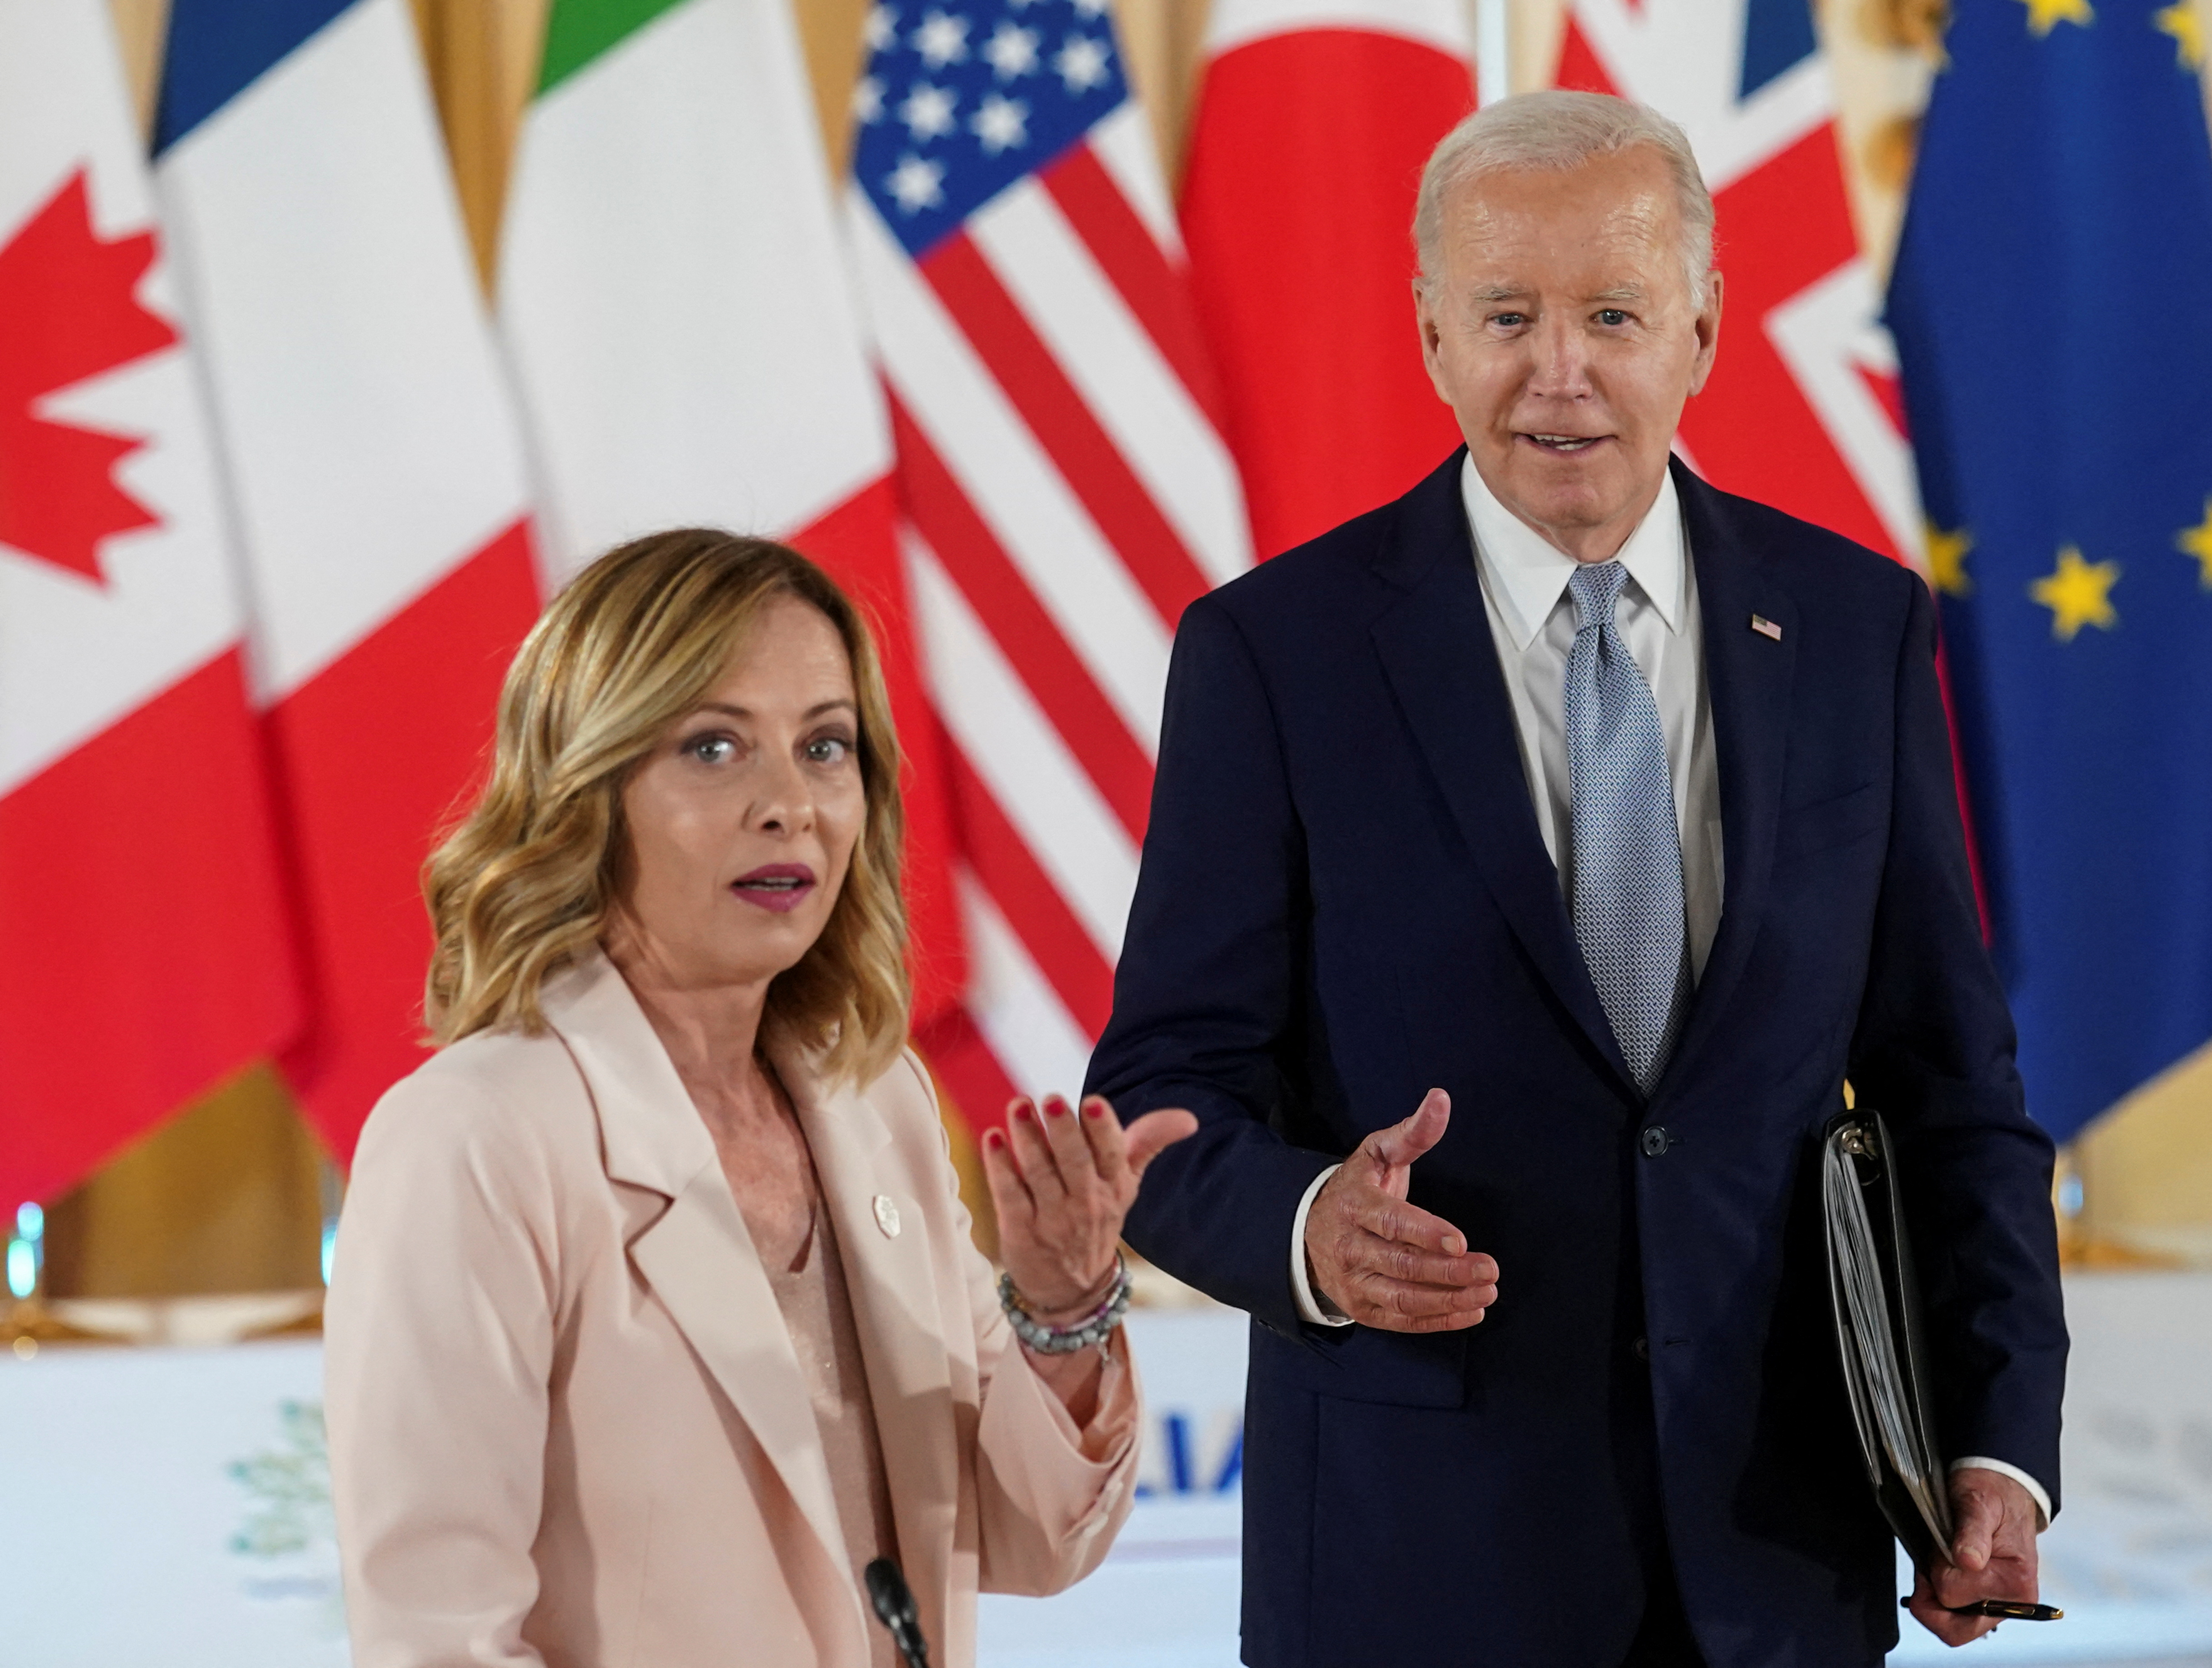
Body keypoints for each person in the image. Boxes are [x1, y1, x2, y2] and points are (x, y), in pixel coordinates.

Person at [1087, 90, 2067, 1667]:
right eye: (1505, 316)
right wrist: (1308, 1231)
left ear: (1703, 327)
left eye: (1612, 313)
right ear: (1428, 337)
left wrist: (1996, 1444)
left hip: (1778, 1560)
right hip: (1417, 1569)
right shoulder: (1278, 656)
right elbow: (1164, 1084)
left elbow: (1951, 1086)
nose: (1561, 372)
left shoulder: (1854, 629)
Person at [327, 530, 1196, 1668]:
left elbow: (1033, 1540)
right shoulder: (475, 1134)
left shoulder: (872, 1100)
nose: (788, 803)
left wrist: (1066, 1299)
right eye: (713, 746)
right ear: (588, 785)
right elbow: (434, 1637)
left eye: (823, 746)